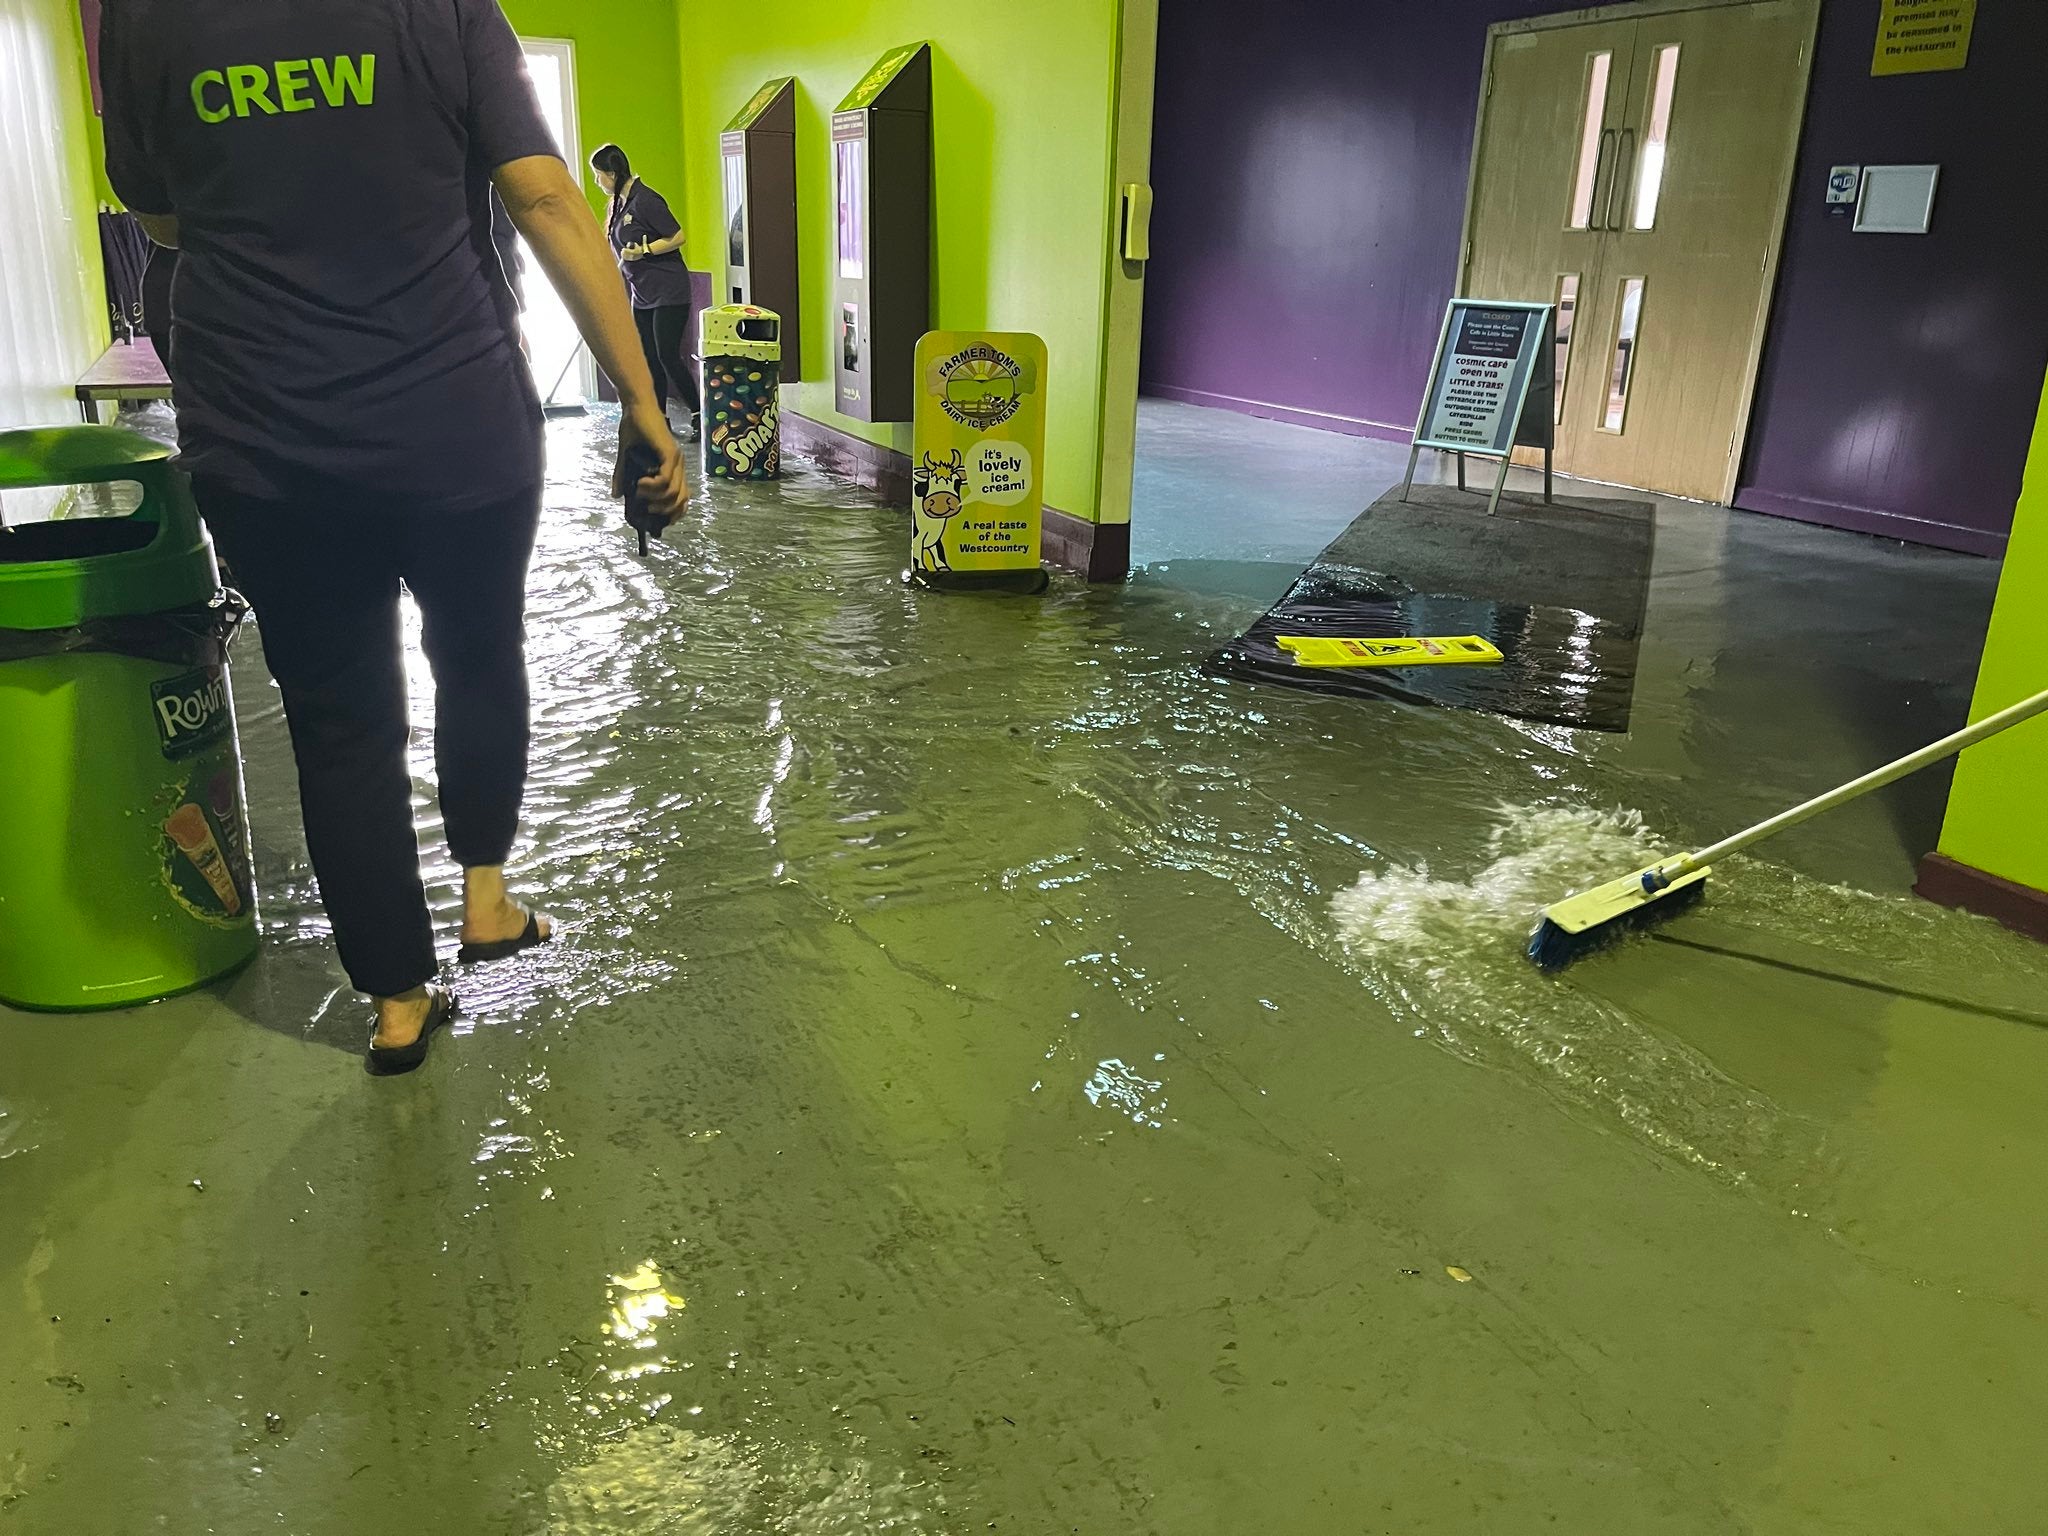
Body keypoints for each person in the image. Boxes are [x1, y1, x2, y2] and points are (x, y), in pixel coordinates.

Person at [99, 0, 689, 1075]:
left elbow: (166, 221)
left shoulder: (142, 16)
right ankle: (486, 900)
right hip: (452, 421)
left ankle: (397, 999)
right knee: (475, 656)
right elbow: (547, 196)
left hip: (265, 438)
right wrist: (642, 401)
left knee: (337, 719)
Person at [589, 143, 701, 442]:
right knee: (648, 357)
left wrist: (646, 251)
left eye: (598, 175)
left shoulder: (645, 200)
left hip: (668, 289)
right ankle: (659, 420)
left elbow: (678, 236)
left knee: (667, 356)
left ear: (612, 174)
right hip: (643, 292)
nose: (597, 181)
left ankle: (700, 415)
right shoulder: (619, 204)